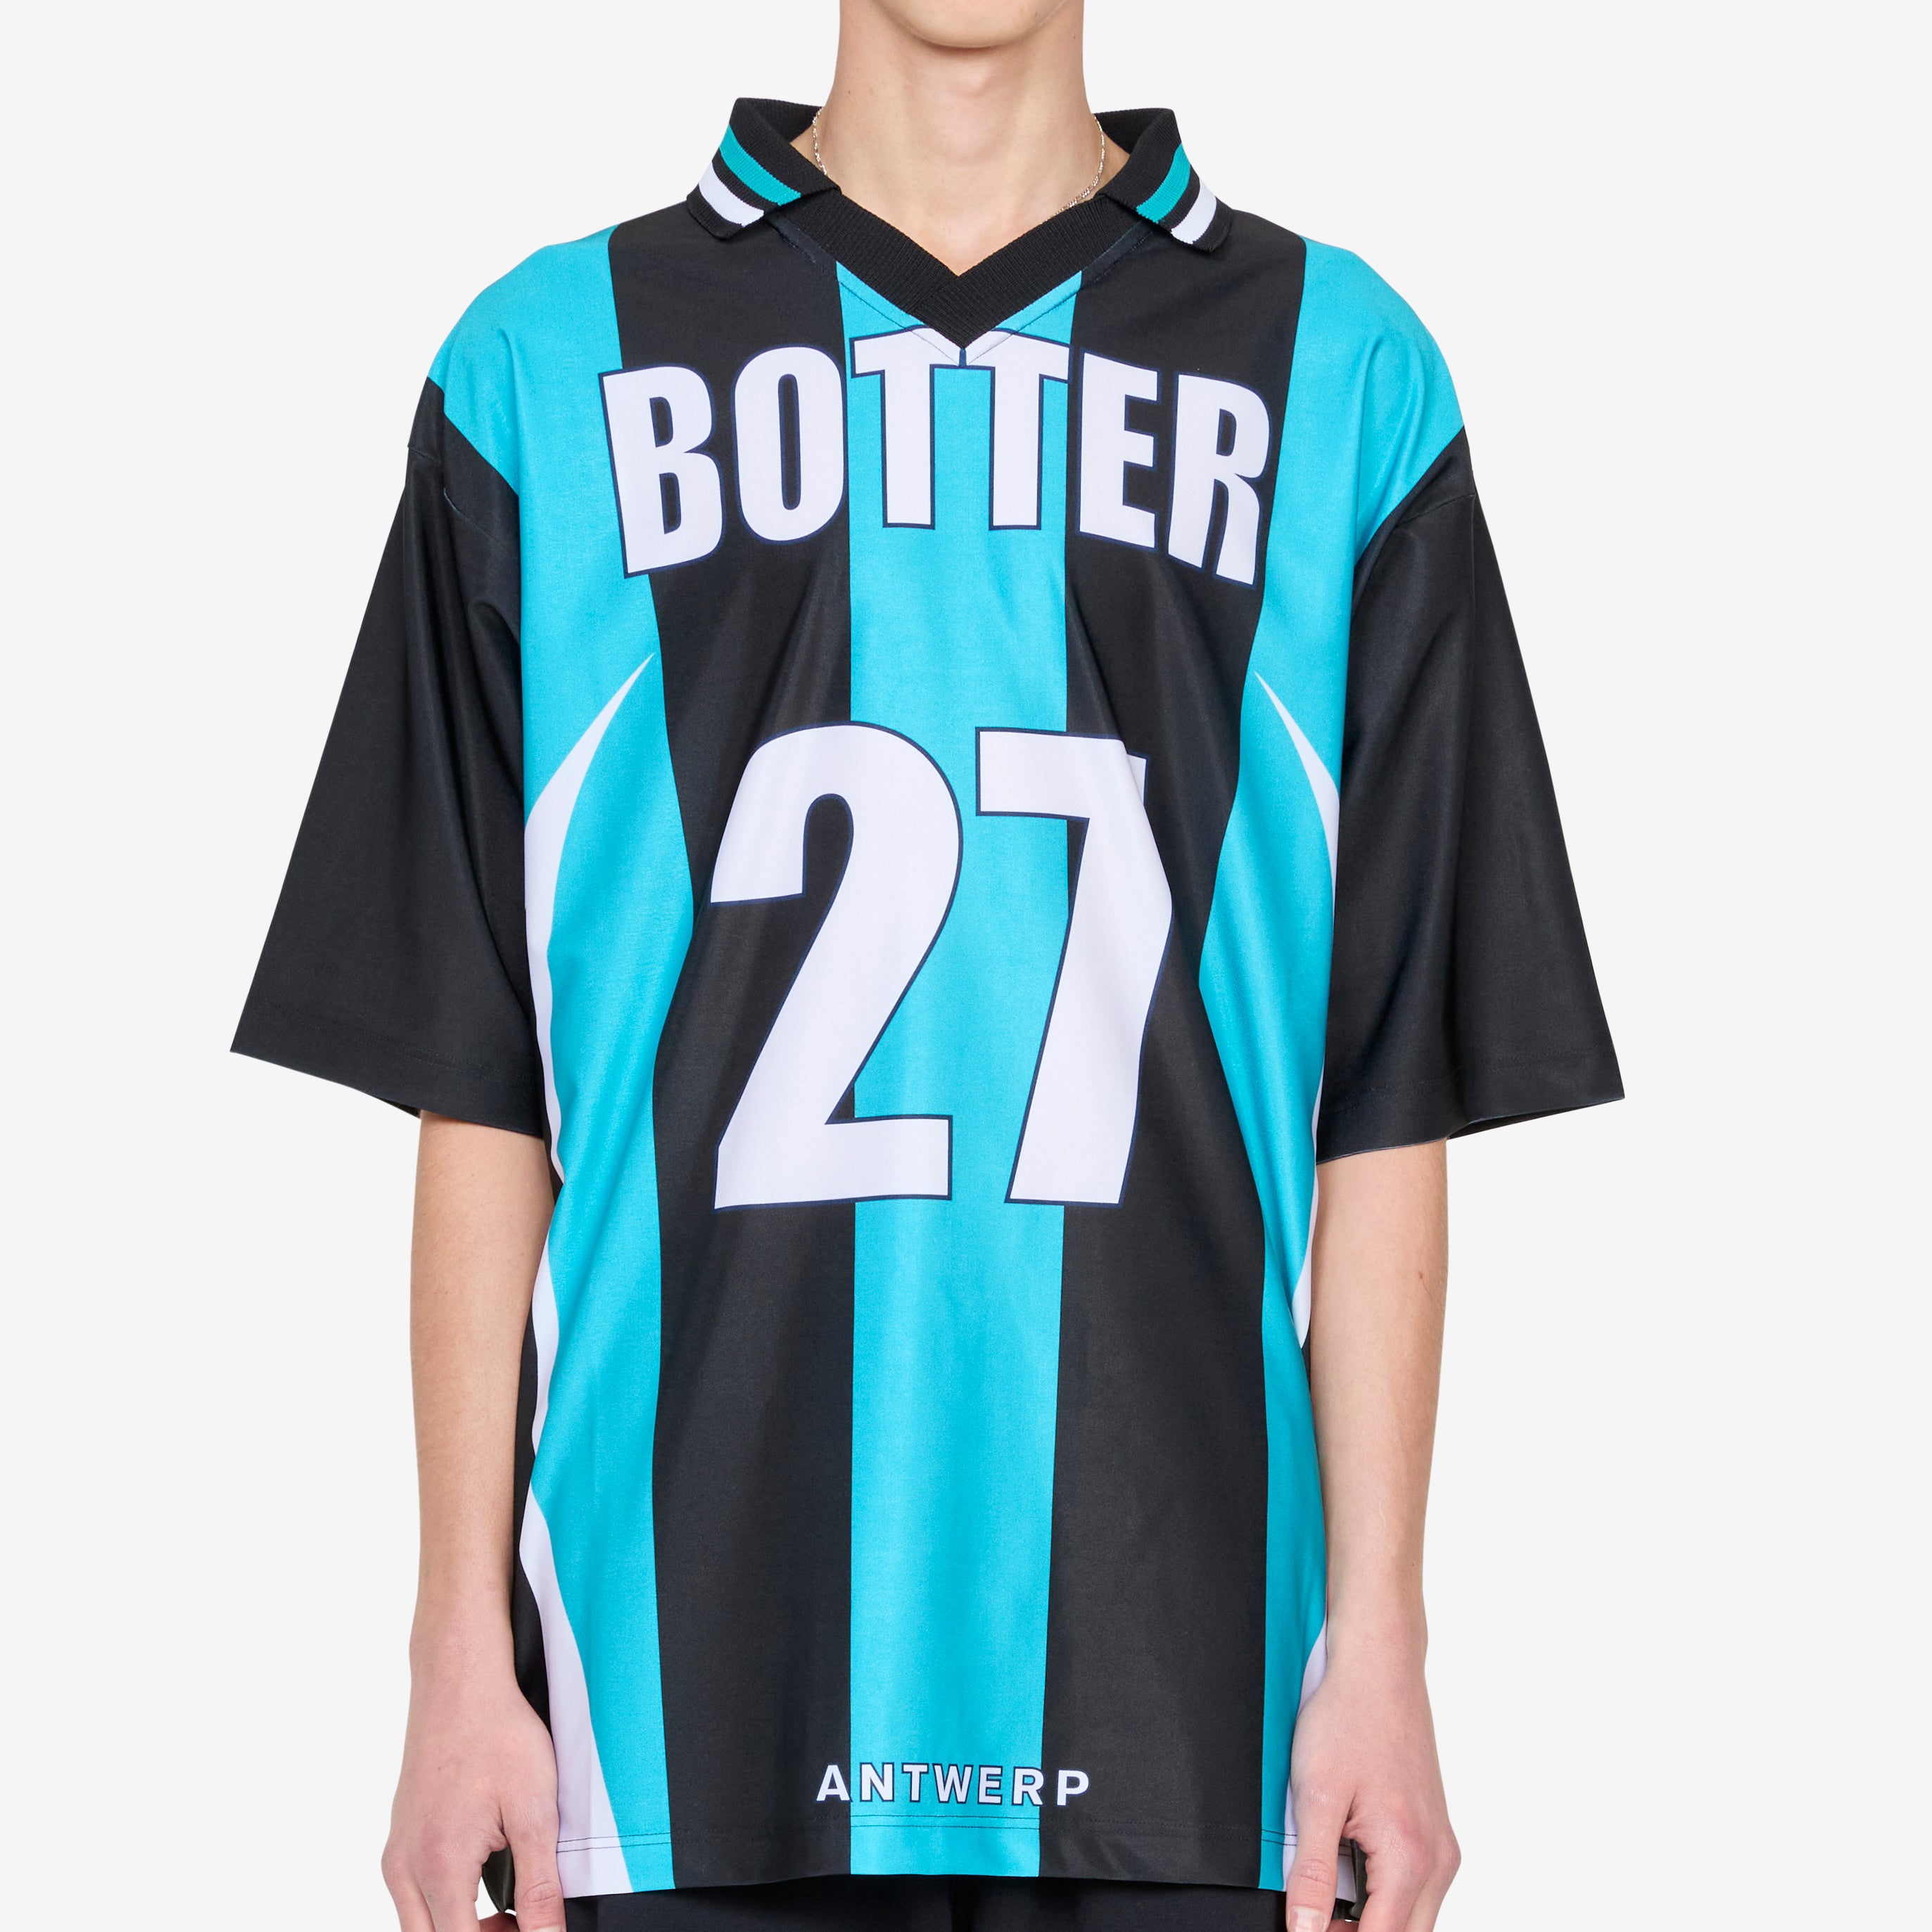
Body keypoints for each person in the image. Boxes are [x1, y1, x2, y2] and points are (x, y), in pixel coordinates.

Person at [234, 0, 1620, 1926]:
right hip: (671, 1699)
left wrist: (1382, 1633)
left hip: (1189, 1695)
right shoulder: (542, 366)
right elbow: (480, 1071)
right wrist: (453, 1638)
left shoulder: (1341, 371)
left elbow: (1382, 1081)